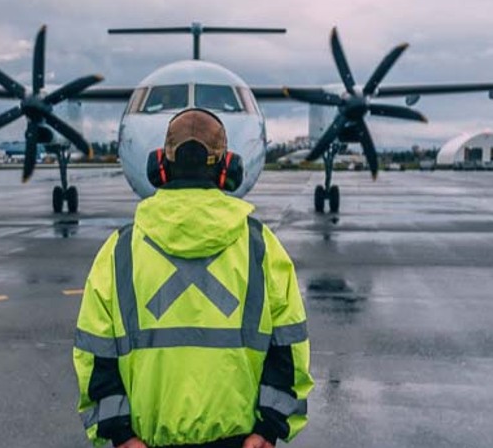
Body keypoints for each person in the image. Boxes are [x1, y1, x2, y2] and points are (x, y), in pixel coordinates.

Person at [73, 108, 313, 448]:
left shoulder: (119, 251)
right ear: (228, 169)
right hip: (242, 441)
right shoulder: (261, 248)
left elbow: (95, 353)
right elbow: (289, 347)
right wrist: (269, 427)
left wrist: (120, 434)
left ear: (160, 165)